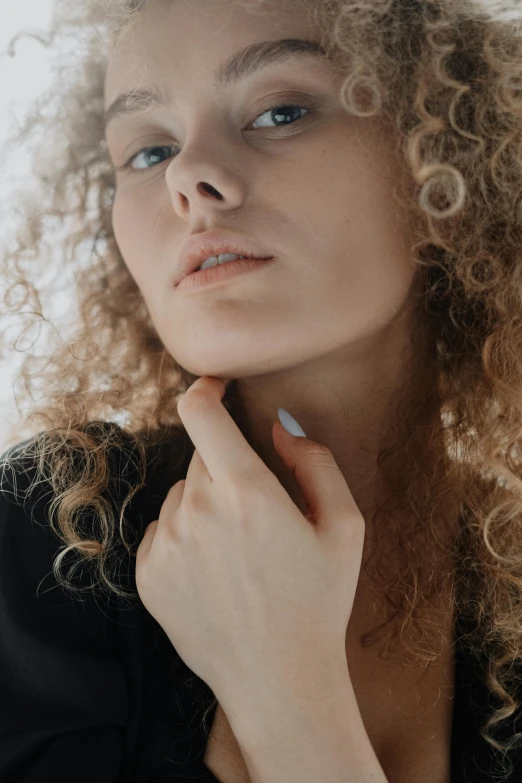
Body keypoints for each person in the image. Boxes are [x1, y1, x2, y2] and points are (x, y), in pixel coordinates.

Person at [0, 0, 521, 781]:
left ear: (440, 161)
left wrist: (287, 698)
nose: (187, 176)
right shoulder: (51, 541)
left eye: (280, 112)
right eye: (147, 151)